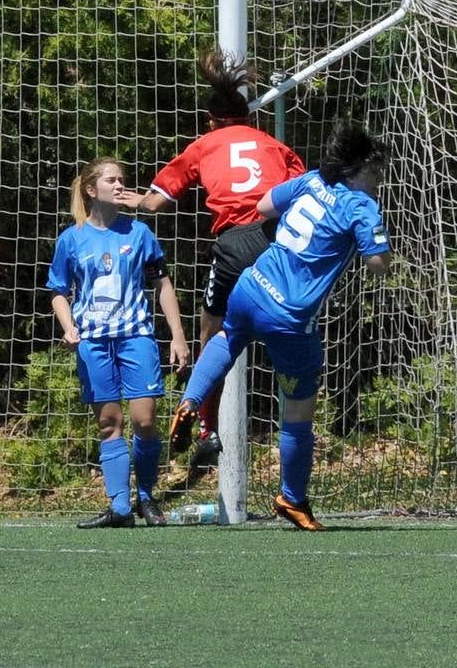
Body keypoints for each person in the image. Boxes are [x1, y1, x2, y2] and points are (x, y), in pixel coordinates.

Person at [167, 123, 391, 530]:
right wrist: (370, 240)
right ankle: (292, 498)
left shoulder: (309, 182)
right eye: (376, 174)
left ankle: (191, 399)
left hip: (251, 286)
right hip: (290, 315)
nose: (378, 182)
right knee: (299, 413)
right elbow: (377, 264)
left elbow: (266, 205)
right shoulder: (361, 206)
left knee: (228, 337)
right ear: (358, 170)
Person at [119, 49, 305, 466]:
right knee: (289, 335)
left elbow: (156, 203)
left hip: (233, 245)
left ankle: (206, 426)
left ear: (212, 121)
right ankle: (294, 428)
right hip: (277, 245)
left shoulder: (203, 146)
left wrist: (135, 200)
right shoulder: (275, 145)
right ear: (248, 119)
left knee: (214, 334)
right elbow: (305, 194)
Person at [47, 158, 191, 527]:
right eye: (112, 180)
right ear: (92, 190)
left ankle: (147, 497)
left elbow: (162, 285)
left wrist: (177, 335)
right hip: (93, 343)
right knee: (109, 423)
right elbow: (59, 292)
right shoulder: (71, 238)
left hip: (135, 337)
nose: (120, 184)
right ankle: (121, 507)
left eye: (122, 179)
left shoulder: (139, 233)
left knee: (144, 421)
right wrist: (68, 327)